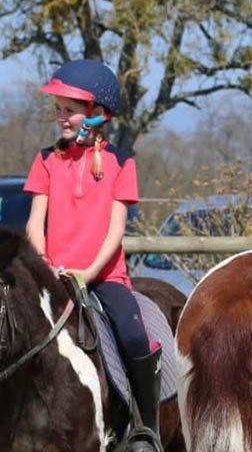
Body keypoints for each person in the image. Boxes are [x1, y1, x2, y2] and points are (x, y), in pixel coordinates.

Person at [24, 59, 163, 451]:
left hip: (104, 279)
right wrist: (43, 265)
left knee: (135, 338)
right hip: (52, 277)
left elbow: (116, 229)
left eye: (70, 110)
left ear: (97, 114)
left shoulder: (122, 162)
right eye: (58, 110)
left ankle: (145, 428)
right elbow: (36, 222)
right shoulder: (46, 159)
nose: (61, 118)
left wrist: (88, 271)